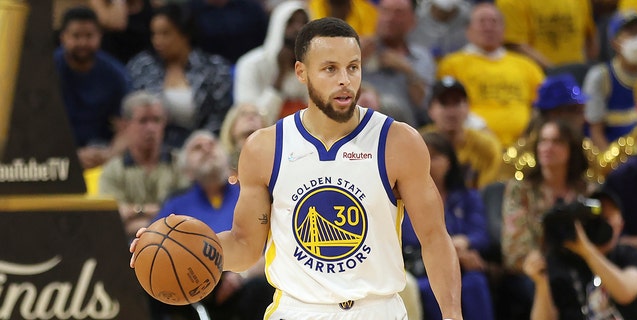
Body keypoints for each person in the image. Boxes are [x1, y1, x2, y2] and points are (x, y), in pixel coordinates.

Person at [130, 17, 463, 319]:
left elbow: (434, 238)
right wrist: (174, 246)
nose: (345, 80)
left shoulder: (398, 141)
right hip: (297, 310)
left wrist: (452, 316)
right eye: (330, 69)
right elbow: (246, 246)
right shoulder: (265, 147)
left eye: (353, 67)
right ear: (301, 72)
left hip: (376, 310)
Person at [153, 130, 274, 320]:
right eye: (197, 148)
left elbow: (271, 249)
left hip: (242, 282)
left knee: (261, 287)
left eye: (212, 144)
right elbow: (157, 246)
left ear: (226, 159)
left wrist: (242, 275)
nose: (207, 149)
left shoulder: (248, 193)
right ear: (187, 170)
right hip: (191, 282)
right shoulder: (176, 203)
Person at [500, 118, 593, 319]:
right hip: (535, 270)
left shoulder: (587, 190)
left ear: (572, 150)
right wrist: (535, 261)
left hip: (582, 264)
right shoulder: (520, 189)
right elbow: (514, 246)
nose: (547, 147)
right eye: (543, 141)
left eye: (557, 142)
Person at [403, 131, 494, 320]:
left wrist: (465, 241)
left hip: (463, 265)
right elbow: (408, 238)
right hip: (419, 267)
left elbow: (482, 234)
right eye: (423, 155)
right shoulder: (402, 199)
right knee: (428, 289)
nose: (428, 162)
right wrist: (448, 250)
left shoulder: (468, 196)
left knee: (475, 282)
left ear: (449, 162)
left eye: (434, 156)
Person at [437, 2, 545, 148]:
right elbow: (447, 106)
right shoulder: (452, 64)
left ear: (504, 30)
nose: (488, 27)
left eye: (494, 22)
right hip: (475, 145)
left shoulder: (527, 65)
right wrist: (480, 129)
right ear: (468, 30)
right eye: (482, 22)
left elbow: (542, 105)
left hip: (524, 147)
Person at [127, 3, 233, 149]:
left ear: (185, 34)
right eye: (154, 34)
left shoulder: (215, 69)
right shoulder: (141, 67)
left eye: (165, 33)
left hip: (202, 148)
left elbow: (219, 118)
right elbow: (132, 113)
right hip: (153, 150)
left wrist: (196, 146)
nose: (157, 41)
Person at [524, 188, 637, 319]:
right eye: (597, 218)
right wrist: (542, 284)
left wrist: (587, 251)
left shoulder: (627, 254)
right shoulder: (562, 261)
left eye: (607, 218)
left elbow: (626, 292)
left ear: (621, 224)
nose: (601, 224)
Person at [99, 90, 187, 240]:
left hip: (177, 242)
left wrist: (134, 212)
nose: (151, 128)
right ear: (125, 125)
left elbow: (186, 213)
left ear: (164, 123)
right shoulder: (113, 170)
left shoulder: (181, 164)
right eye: (143, 121)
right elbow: (111, 220)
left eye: (156, 120)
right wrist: (156, 213)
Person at [55, 6, 131, 170]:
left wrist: (110, 155)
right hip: (55, 156)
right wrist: (70, 155)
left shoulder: (115, 74)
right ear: (63, 37)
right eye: (76, 36)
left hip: (101, 156)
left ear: (100, 37)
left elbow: (126, 129)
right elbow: (35, 126)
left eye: (89, 36)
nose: (83, 42)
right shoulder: (46, 71)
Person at [362, 0, 436, 128]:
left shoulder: (420, 58)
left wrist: (407, 70)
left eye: (398, 13)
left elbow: (426, 106)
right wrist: (353, 60)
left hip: (406, 129)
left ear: (413, 21)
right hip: (363, 125)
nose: (390, 18)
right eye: (385, 11)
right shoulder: (360, 49)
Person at [233, 0, 310, 124]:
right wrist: (280, 76)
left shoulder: (313, 68)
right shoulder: (250, 64)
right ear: (277, 25)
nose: (298, 29)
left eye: (304, 23)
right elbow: (249, 120)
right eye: (291, 22)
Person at [420, 76, 503, 189]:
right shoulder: (418, 143)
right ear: (430, 110)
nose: (451, 111)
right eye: (444, 103)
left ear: (468, 108)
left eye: (457, 102)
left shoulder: (487, 147)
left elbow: (486, 194)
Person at [583, 12, 637, 152]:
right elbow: (595, 133)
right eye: (631, 33)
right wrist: (614, 167)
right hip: (616, 162)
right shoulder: (601, 77)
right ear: (615, 42)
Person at [495, 0, 598, 69]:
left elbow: (589, 36)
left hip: (576, 74)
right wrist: (555, 72)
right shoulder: (511, 2)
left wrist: (588, 70)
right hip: (536, 76)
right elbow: (515, 44)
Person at [188, 0, 269, 64]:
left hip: (246, 66)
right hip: (205, 73)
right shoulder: (190, 10)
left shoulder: (251, 8)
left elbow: (265, 42)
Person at [408, 0, 472, 61]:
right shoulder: (415, 21)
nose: (446, 15)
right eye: (441, 11)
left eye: (451, 11)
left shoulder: (469, 17)